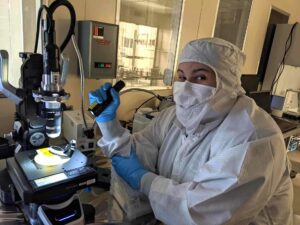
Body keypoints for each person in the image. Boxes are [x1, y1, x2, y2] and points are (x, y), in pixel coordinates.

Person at [89, 38, 293, 225]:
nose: (186, 87)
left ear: (226, 82)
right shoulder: (172, 118)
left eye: (200, 77)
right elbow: (137, 156)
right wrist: (109, 124)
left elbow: (202, 213)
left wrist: (143, 180)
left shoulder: (254, 137)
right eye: (181, 77)